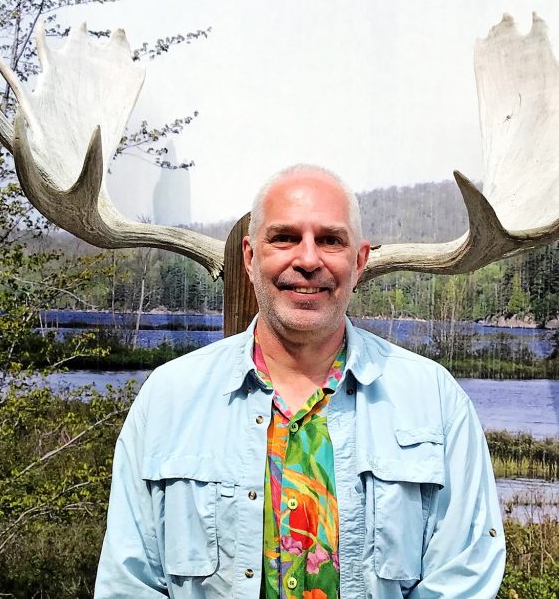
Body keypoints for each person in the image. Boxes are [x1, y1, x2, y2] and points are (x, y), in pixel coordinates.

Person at [95, 164, 506, 598]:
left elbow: (466, 575)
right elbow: (129, 582)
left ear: (359, 261)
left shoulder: (434, 400)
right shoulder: (169, 398)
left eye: (330, 240)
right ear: (251, 258)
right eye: (285, 237)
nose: (308, 260)